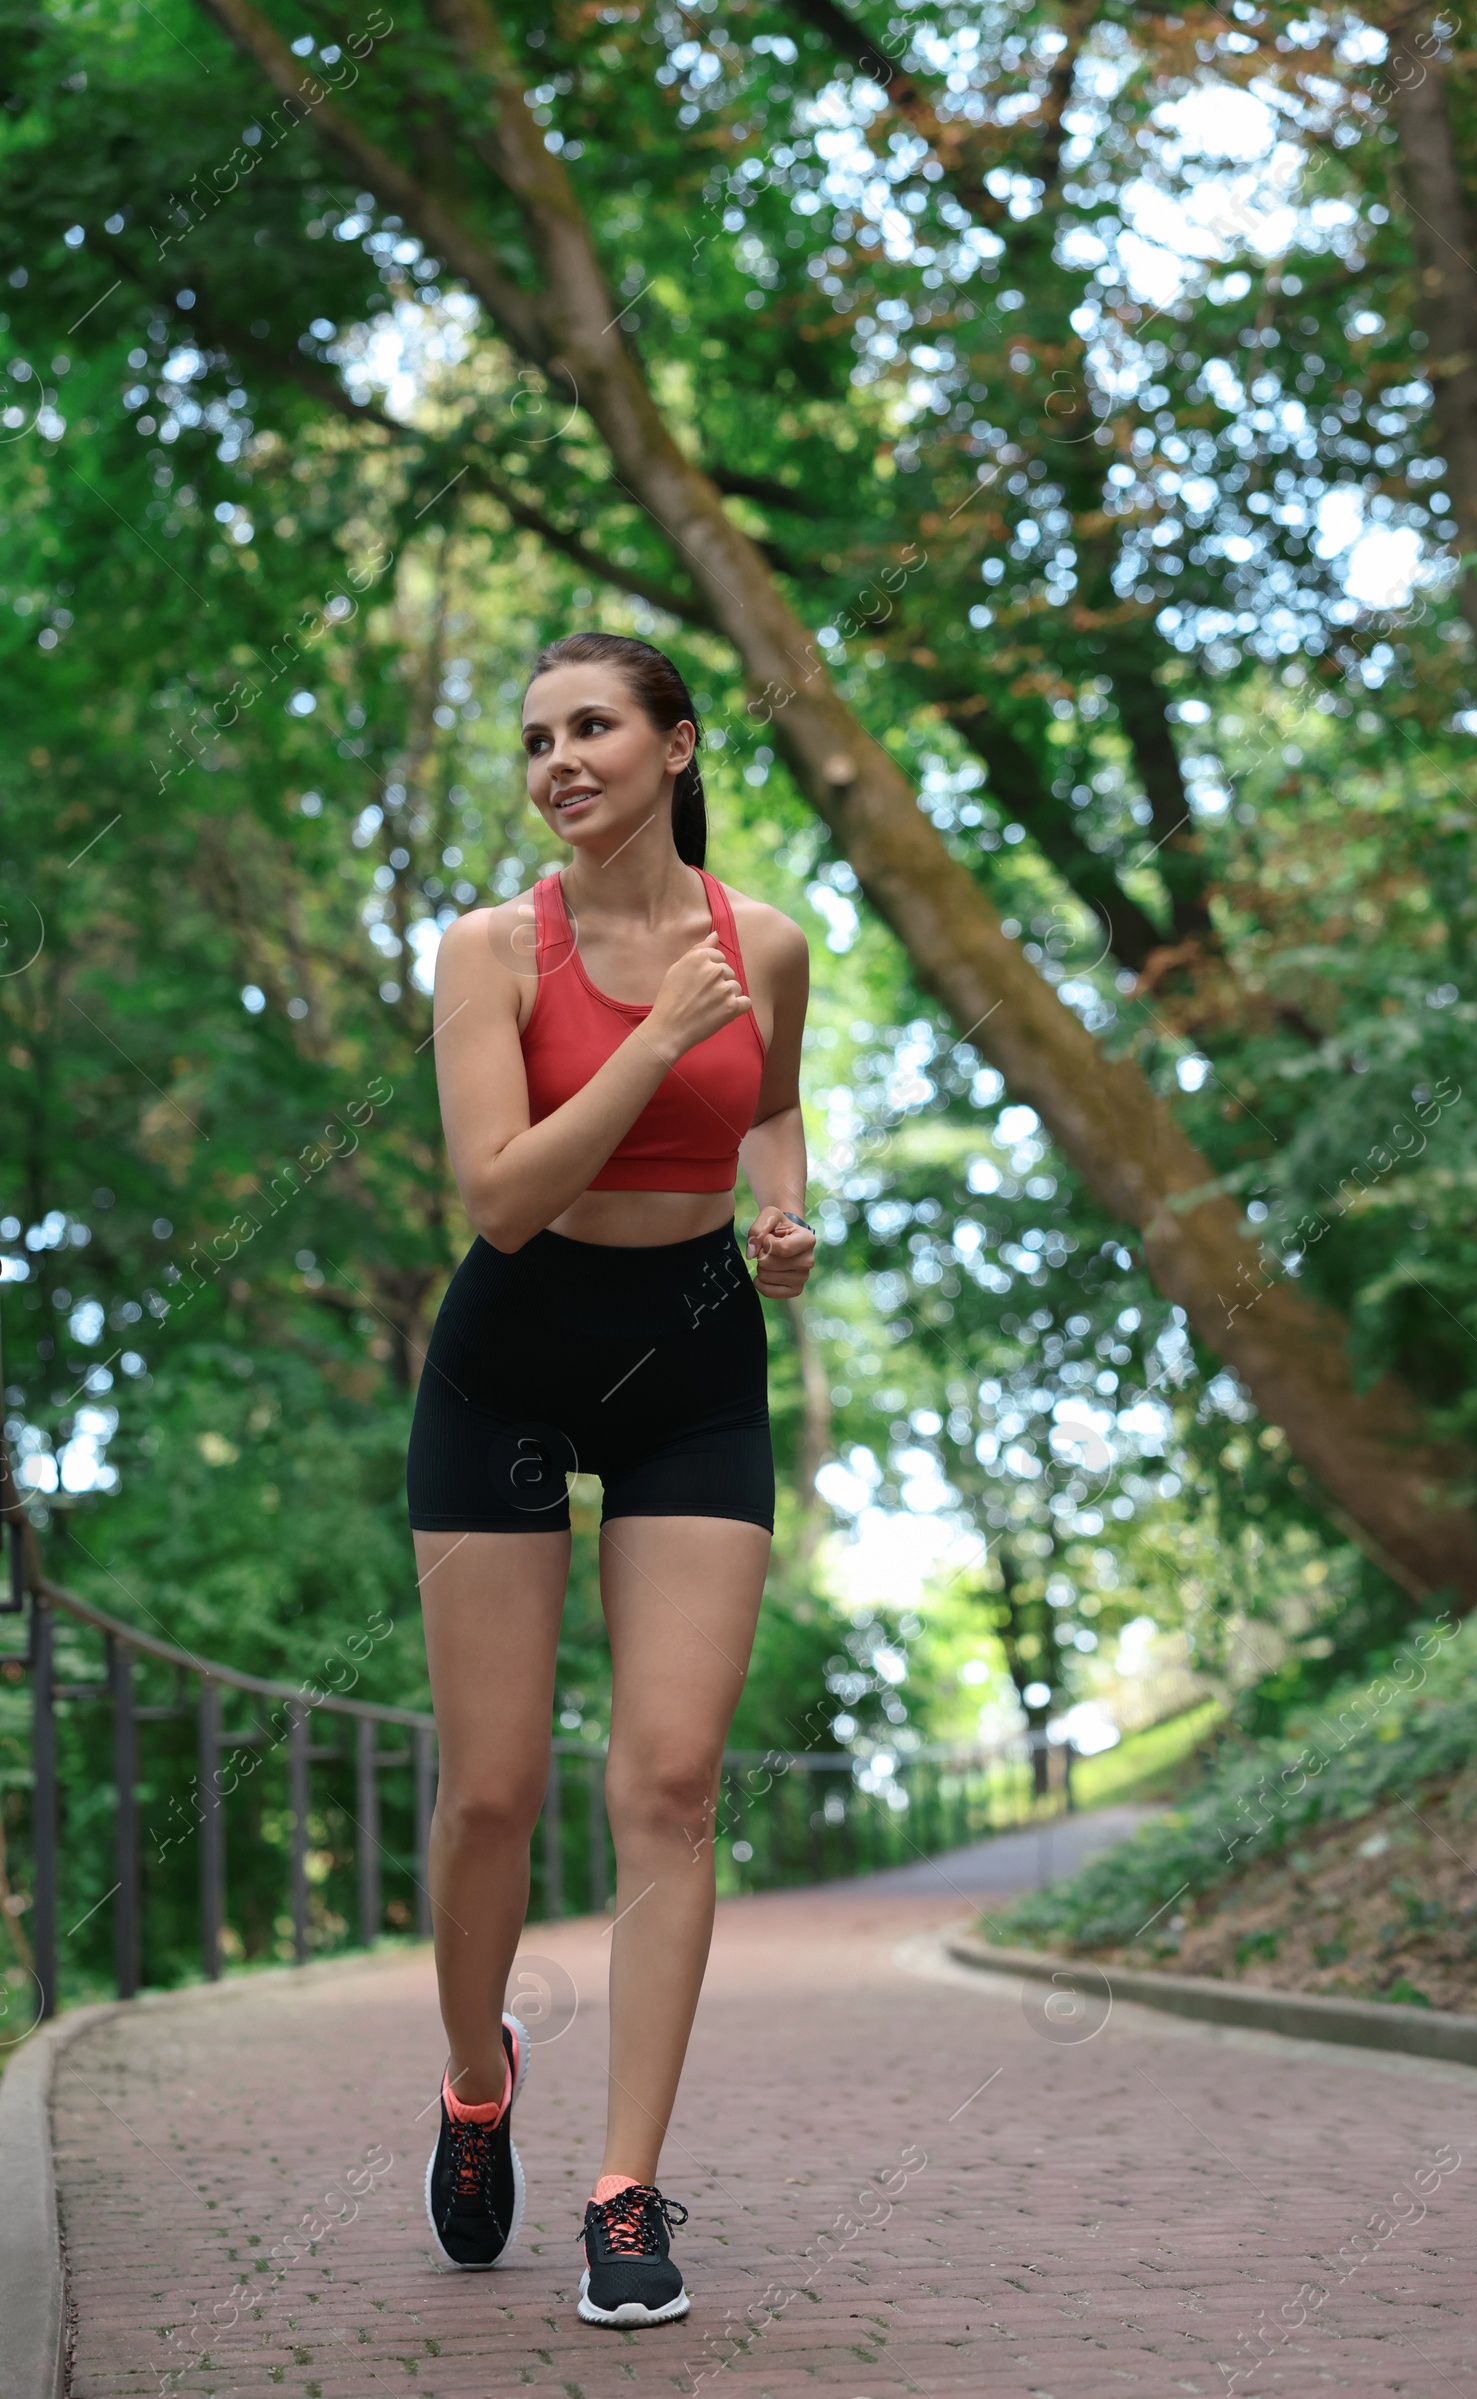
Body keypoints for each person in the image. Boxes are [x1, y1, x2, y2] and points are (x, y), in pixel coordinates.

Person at [405, 631, 815, 2328]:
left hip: (698, 1365)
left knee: (668, 1780)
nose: (559, 760)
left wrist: (786, 1219)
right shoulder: (492, 950)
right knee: (493, 1791)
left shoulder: (769, 942)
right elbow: (499, 1197)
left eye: (591, 728)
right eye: (534, 741)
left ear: (677, 745)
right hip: (512, 1353)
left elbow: (774, 1107)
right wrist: (650, 1047)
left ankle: (626, 2190)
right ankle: (475, 2085)